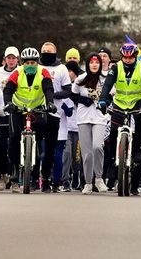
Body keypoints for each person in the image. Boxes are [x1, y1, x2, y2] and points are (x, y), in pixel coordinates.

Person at [99, 43, 141, 195]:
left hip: (138, 102)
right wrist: (102, 100)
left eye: (130, 57)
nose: (128, 60)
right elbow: (107, 85)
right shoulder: (116, 67)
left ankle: (137, 149)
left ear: (135, 56)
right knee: (112, 130)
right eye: (125, 57)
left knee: (139, 122)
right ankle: (113, 159)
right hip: (119, 103)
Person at [3, 47, 56, 193]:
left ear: (37, 63)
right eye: (27, 63)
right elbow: (8, 89)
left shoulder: (43, 72)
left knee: (38, 144)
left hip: (37, 110)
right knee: (13, 138)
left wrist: (50, 103)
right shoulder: (17, 72)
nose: (30, 65)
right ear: (23, 63)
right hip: (18, 110)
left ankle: (33, 178)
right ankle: (14, 172)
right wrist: (8, 103)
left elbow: (48, 89)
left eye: (33, 62)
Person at [71, 53, 108, 195]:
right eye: (91, 62)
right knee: (86, 154)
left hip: (99, 117)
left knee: (97, 147)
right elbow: (73, 94)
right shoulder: (81, 79)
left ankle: (99, 178)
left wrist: (106, 103)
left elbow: (112, 95)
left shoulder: (105, 79)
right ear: (88, 64)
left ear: (100, 64)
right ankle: (88, 183)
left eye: (97, 62)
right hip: (83, 118)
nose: (94, 65)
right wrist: (82, 100)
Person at [38, 42, 71, 192]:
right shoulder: (36, 67)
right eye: (44, 51)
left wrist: (51, 95)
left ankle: (55, 181)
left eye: (49, 51)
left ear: (55, 52)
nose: (46, 53)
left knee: (53, 151)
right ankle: (33, 178)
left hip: (55, 112)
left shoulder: (61, 68)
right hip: (37, 111)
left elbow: (67, 91)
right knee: (38, 149)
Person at [0, 46, 19, 190]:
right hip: (2, 113)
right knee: (1, 147)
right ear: (5, 59)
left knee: (14, 146)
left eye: (13, 58)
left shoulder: (21, 71)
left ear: (17, 59)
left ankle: (15, 178)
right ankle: (2, 175)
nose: (11, 60)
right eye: (8, 58)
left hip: (17, 112)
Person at [58, 61, 81, 192]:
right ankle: (65, 180)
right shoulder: (63, 90)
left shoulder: (77, 87)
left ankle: (76, 176)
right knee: (66, 154)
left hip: (78, 127)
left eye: (70, 71)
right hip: (66, 128)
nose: (68, 74)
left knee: (77, 157)